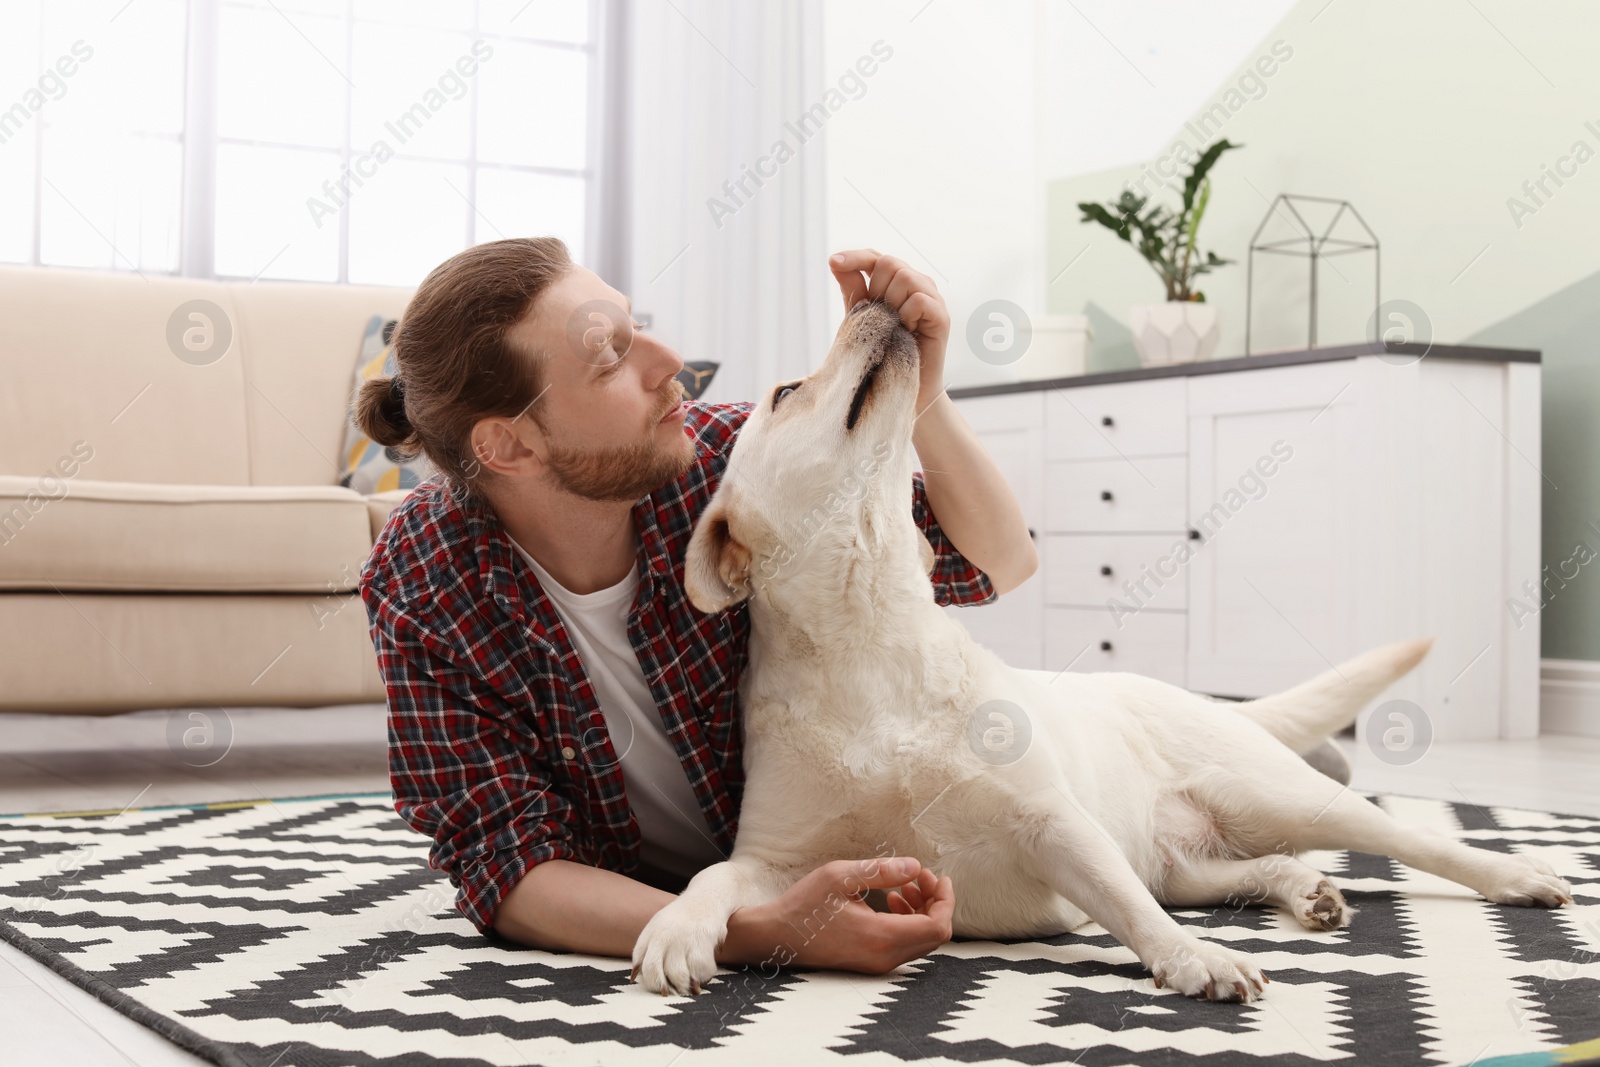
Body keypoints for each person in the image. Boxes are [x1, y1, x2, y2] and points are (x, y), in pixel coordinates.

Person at [355, 236, 1038, 979]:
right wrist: (760, 932)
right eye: (612, 357)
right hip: (710, 890)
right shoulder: (424, 575)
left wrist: (919, 396)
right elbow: (505, 862)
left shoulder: (721, 463)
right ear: (509, 447)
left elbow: (995, 561)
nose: (667, 360)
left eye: (633, 322)